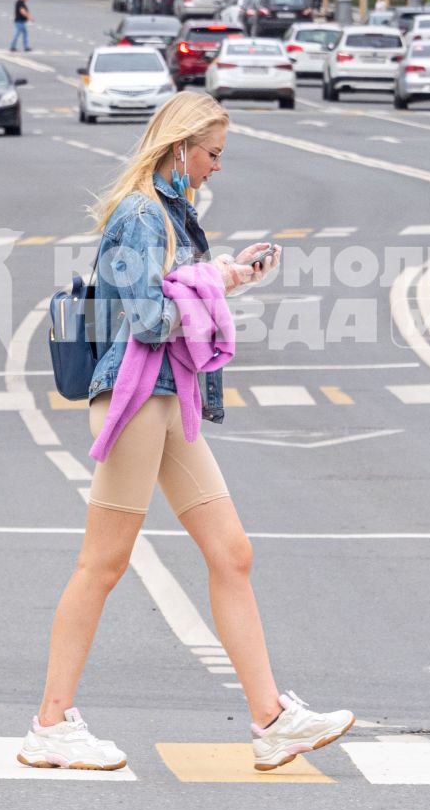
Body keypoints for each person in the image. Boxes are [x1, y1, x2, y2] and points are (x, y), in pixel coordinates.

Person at [22, 91, 355, 774]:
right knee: (103, 564)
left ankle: (271, 721)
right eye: (211, 154)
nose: (216, 168)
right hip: (137, 397)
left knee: (232, 553)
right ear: (180, 148)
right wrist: (215, 284)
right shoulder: (142, 215)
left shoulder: (169, 213)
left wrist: (224, 277)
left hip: (170, 396)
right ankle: (50, 724)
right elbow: (147, 317)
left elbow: (177, 295)